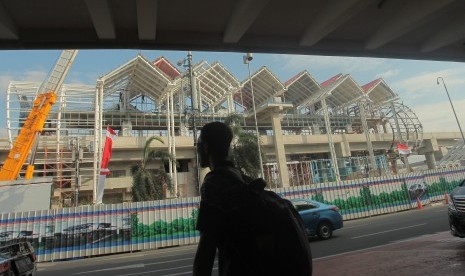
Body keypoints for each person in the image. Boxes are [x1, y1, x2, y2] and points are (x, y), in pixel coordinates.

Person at [193, 121, 256, 276]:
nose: (198, 148)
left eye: (198, 144)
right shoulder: (242, 178)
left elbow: (206, 248)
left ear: (206, 147)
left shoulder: (213, 183)